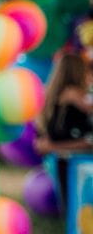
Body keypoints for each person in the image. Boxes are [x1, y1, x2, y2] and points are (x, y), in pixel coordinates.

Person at [38, 53, 93, 206]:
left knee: (70, 202)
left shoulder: (52, 96)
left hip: (63, 159)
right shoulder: (73, 92)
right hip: (76, 158)